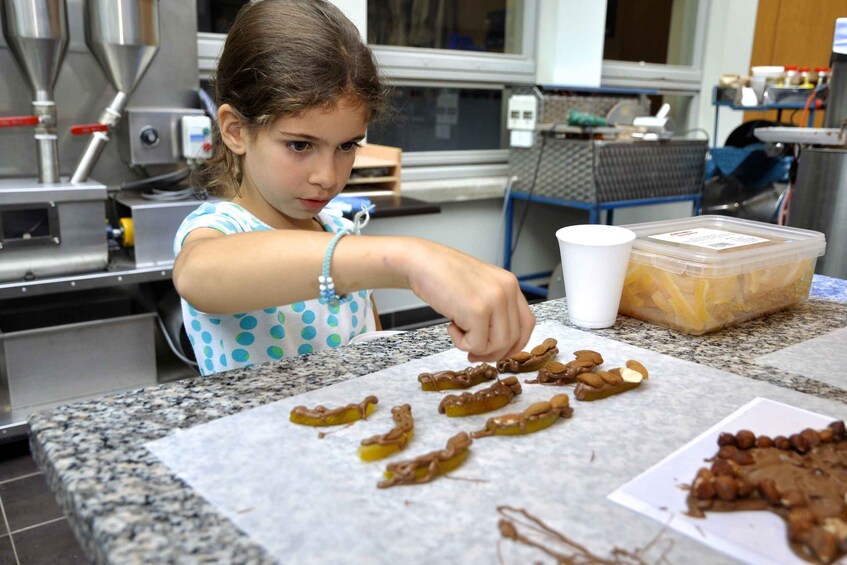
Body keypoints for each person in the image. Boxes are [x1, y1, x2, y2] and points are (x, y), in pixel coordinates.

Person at [173, 0, 535, 376]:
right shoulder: (220, 228)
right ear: (235, 130)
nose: (327, 177)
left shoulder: (336, 229)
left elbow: (371, 346)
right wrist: (406, 260)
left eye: (347, 146)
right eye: (300, 145)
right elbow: (197, 274)